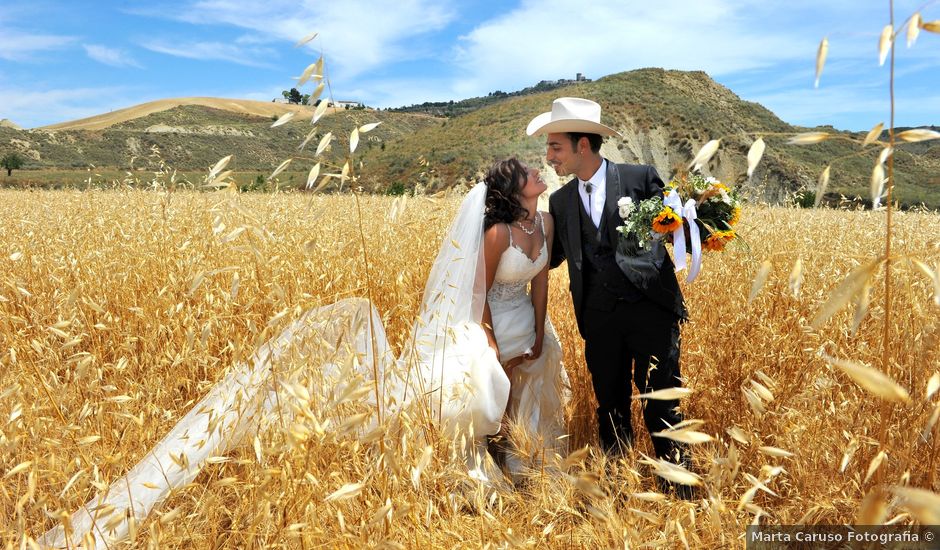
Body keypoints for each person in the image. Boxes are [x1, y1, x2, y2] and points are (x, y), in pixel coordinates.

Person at [40, 159, 568, 548]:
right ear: (511, 189)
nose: (538, 170)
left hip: (527, 320)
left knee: (539, 369)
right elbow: (476, 300)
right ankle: (483, 464)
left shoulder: (542, 225)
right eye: (529, 171)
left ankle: (525, 457)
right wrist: (495, 347)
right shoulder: (496, 232)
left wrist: (540, 332)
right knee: (477, 387)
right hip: (490, 324)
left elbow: (541, 282)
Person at [526, 97, 692, 495]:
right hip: (598, 320)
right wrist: (508, 243)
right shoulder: (560, 202)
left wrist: (695, 218)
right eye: (549, 148)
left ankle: (681, 491)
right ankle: (617, 490)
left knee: (662, 403)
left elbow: (676, 229)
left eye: (555, 147)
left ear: (583, 145)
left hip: (651, 312)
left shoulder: (640, 178)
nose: (549, 157)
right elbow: (556, 256)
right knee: (610, 408)